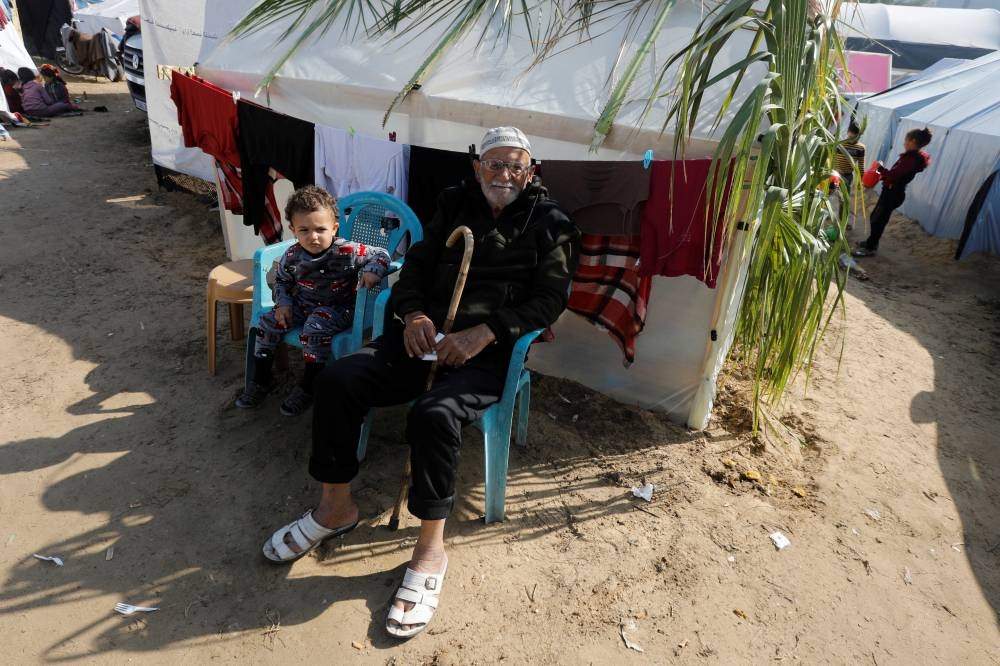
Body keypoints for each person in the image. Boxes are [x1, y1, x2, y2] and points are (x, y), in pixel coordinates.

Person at [261, 127, 580, 638]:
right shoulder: (454, 202)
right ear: (478, 167)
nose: (504, 175)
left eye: (515, 166)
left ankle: (430, 551)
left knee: (433, 414)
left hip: (487, 352)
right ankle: (336, 507)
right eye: (494, 164)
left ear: (530, 171)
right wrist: (410, 315)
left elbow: (550, 300)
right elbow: (416, 266)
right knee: (340, 379)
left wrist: (486, 333)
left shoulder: (552, 223)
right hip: (421, 338)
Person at [236, 185, 391, 416]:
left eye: (320, 229)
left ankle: (310, 384)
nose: (313, 236)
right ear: (293, 230)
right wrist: (284, 305)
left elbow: (381, 253)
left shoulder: (347, 250)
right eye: (304, 230)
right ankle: (263, 379)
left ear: (334, 228)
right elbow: (282, 282)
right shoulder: (292, 255)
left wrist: (372, 270)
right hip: (303, 305)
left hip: (340, 309)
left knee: (316, 323)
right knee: (267, 321)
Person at [853, 127, 932, 258]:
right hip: (892, 192)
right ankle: (870, 243)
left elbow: (894, 175)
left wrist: (880, 169)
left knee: (878, 220)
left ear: (912, 141)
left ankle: (870, 248)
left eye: (906, 140)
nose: (904, 143)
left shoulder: (910, 160)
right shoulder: (911, 158)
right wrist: (883, 172)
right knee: (876, 218)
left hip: (892, 193)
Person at [833, 121, 866, 228]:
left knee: (844, 200)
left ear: (859, 135)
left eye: (855, 136)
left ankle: (842, 223)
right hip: (834, 174)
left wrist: (860, 180)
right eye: (850, 134)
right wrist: (834, 169)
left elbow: (860, 165)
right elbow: (831, 157)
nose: (852, 137)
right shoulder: (840, 143)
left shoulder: (860, 148)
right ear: (847, 132)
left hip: (847, 177)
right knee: (825, 195)